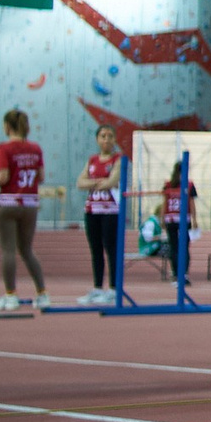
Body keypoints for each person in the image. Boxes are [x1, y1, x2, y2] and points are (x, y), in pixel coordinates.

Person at [0, 109, 48, 312]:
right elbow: (41, 176)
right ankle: (42, 293)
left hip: (8, 202)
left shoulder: (4, 148)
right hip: (30, 203)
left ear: (7, 126)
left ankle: (11, 295)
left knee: (8, 250)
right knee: (27, 249)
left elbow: (3, 176)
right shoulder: (35, 148)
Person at [76, 124, 124, 302]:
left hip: (110, 210)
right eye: (103, 136)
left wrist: (93, 182)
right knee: (95, 249)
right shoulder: (92, 160)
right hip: (91, 210)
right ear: (97, 139)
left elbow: (111, 182)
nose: (106, 139)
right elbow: (80, 183)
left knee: (111, 249)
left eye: (110, 136)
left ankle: (113, 289)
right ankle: (97, 288)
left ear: (115, 139)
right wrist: (98, 182)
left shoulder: (118, 159)